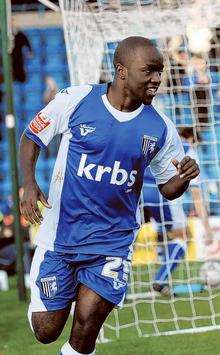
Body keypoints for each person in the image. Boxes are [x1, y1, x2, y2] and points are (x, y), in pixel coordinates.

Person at [19, 36, 199, 355]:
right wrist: (30, 184)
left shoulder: (160, 128)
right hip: (61, 237)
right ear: (122, 71)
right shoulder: (77, 100)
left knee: (87, 324)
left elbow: (168, 189)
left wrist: (182, 178)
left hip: (112, 242)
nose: (157, 78)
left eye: (160, 71)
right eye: (149, 71)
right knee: (46, 330)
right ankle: (66, 289)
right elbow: (32, 136)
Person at [142, 127, 212, 296]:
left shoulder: (162, 140)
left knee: (128, 236)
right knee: (184, 236)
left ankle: (119, 289)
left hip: (139, 191)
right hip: (162, 194)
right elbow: (196, 195)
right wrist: (207, 228)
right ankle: (160, 280)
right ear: (193, 140)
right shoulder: (188, 151)